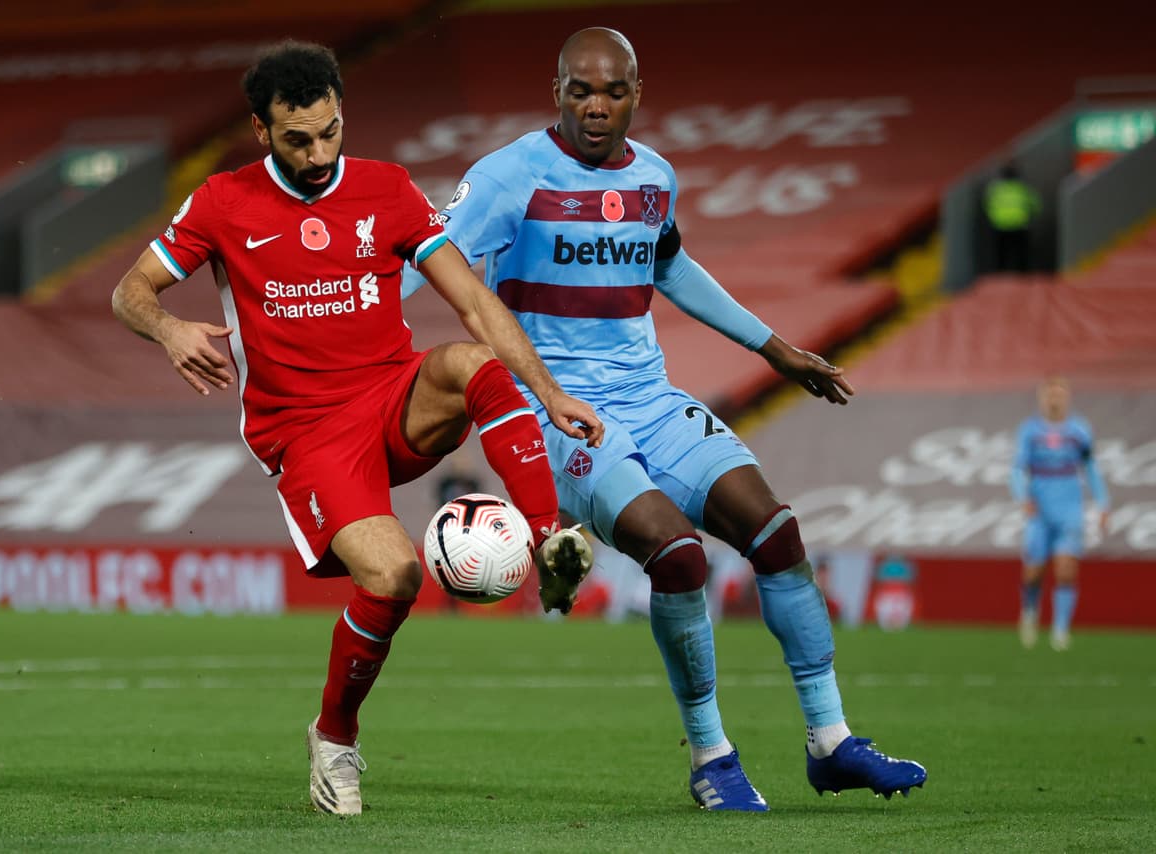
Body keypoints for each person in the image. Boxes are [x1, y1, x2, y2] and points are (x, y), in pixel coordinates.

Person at [403, 27, 926, 810]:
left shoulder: (654, 177)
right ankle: (712, 757)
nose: (596, 106)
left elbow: (672, 265)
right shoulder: (508, 177)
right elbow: (421, 262)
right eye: (581, 90)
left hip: (652, 398)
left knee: (777, 533)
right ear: (557, 93)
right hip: (559, 413)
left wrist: (775, 349)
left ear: (636, 95)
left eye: (612, 91)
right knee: (678, 556)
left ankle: (831, 741)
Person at [111, 40, 604, 817]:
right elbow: (130, 291)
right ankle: (334, 736)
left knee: (474, 363)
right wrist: (169, 329)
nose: (318, 154)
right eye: (297, 139)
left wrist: (548, 390)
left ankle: (548, 539)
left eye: (330, 132)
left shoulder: (387, 189)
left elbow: (475, 303)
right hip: (305, 431)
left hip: (392, 397)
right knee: (395, 578)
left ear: (343, 113)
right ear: (260, 129)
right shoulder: (222, 202)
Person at [1010, 376, 1109, 651]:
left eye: (1059, 394)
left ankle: (1061, 629)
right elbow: (1017, 469)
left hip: (1069, 510)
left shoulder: (1079, 430)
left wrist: (1103, 504)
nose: (1054, 399)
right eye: (1050, 394)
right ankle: (1030, 611)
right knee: (1034, 570)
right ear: (1042, 399)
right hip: (1039, 512)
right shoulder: (1030, 430)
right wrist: (1023, 497)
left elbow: (1091, 468)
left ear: (1067, 397)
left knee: (1066, 569)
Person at [983, 162, 1041, 273]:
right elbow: (1036, 206)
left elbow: (987, 206)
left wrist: (994, 219)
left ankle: (1000, 276)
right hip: (1020, 227)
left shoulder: (996, 190)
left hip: (1000, 227)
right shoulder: (1023, 189)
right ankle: (1023, 277)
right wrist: (1030, 219)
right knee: (1022, 256)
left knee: (1001, 256)